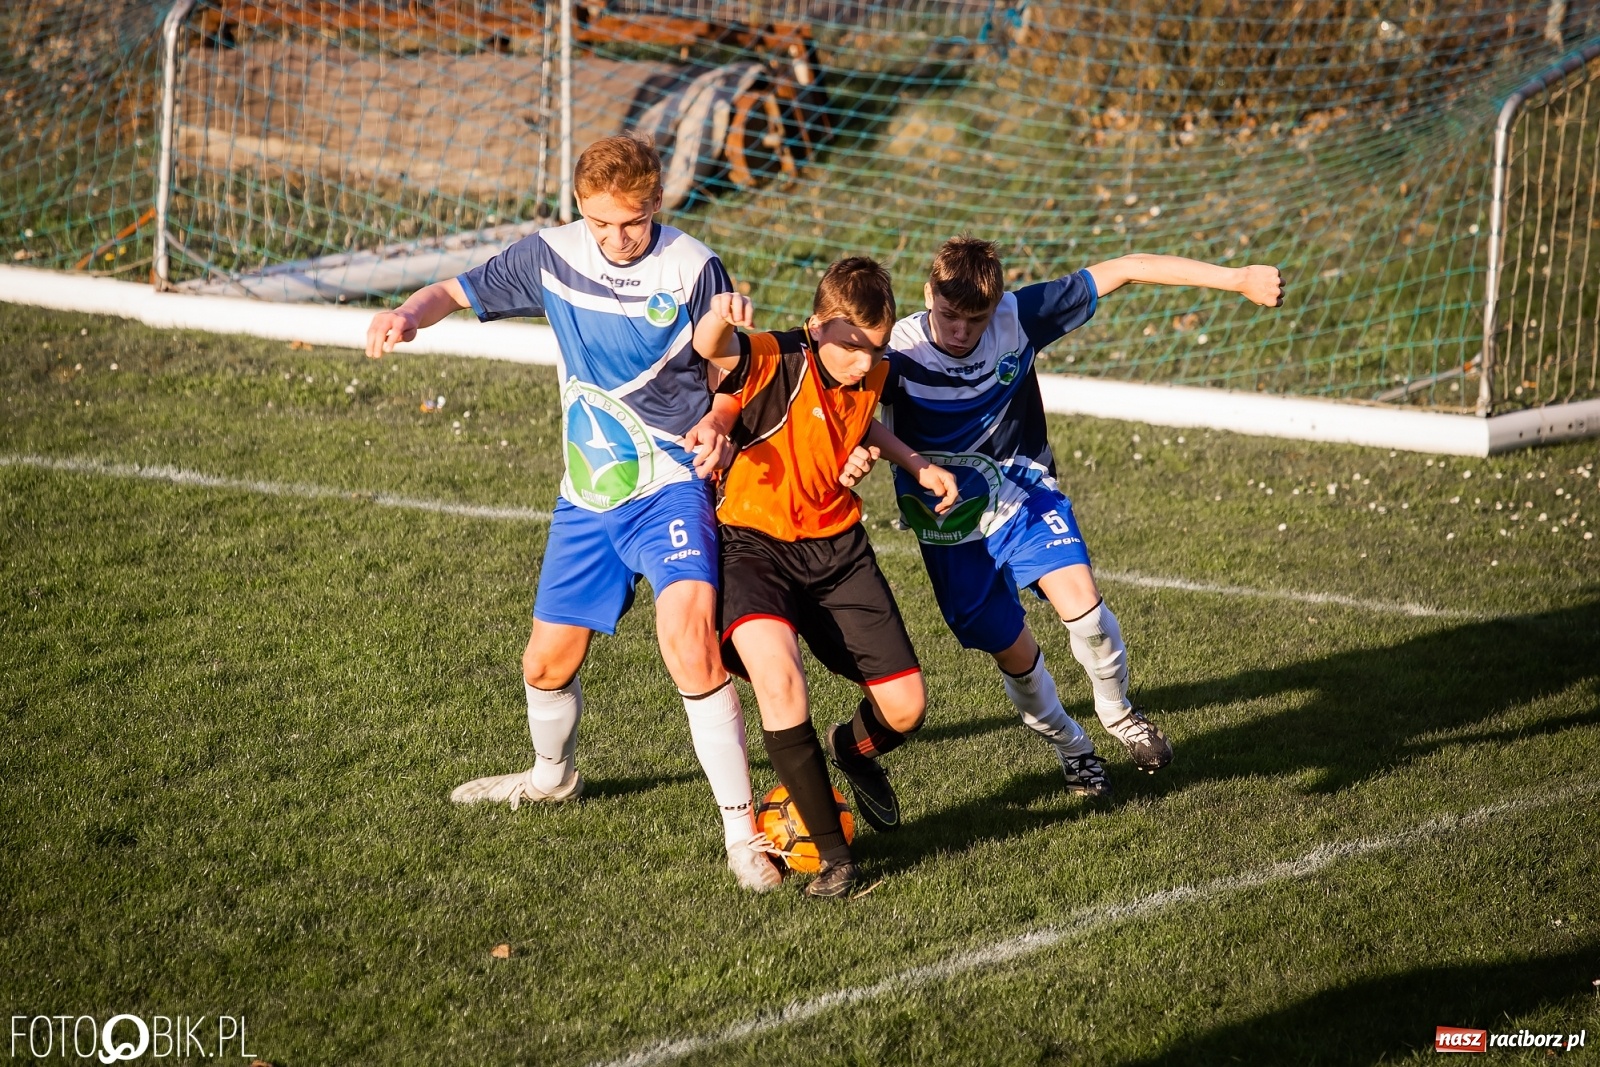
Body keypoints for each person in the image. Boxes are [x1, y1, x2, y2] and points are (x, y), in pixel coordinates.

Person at [363, 135, 781, 892]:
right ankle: (551, 779)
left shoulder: (693, 266)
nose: (617, 238)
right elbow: (452, 291)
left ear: (657, 203)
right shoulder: (550, 255)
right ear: (580, 209)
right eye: (601, 223)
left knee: (688, 644)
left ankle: (743, 832)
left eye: (633, 221)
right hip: (589, 493)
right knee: (545, 665)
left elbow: (733, 369)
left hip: (672, 485)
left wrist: (720, 421)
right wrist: (405, 314)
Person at [881, 237, 1285, 795]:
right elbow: (838, 404)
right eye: (949, 315)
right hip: (949, 527)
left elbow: (1129, 267)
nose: (960, 332)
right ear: (929, 294)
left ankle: (1118, 713)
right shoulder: (894, 353)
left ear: (995, 305)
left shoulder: (1017, 317)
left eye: (975, 320)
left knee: (1086, 611)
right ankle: (1073, 747)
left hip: (1020, 492)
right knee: (1015, 654)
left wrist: (1237, 278)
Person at [694, 257, 957, 899]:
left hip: (838, 549)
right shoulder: (776, 355)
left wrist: (915, 464)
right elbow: (714, 351)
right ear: (816, 326)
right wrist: (719, 317)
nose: (864, 363)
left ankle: (850, 750)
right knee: (780, 683)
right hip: (752, 546)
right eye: (851, 346)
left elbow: (858, 421)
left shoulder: (871, 371)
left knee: (906, 708)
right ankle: (836, 858)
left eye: (877, 349)